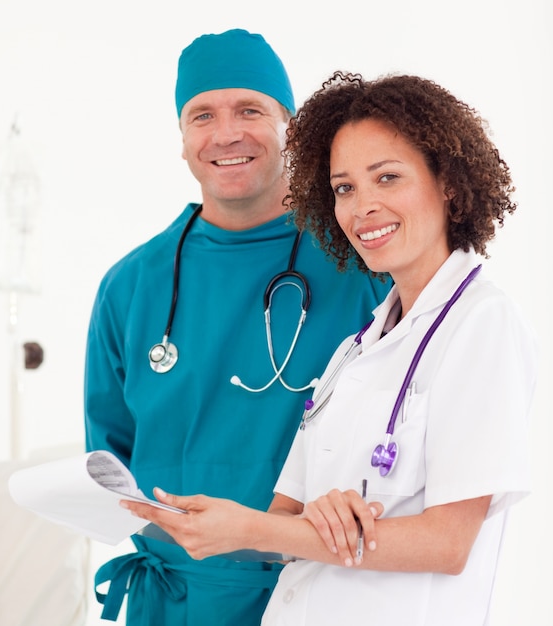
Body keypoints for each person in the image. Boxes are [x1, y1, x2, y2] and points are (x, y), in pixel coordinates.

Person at [121, 72, 538, 625]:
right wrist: (294, 519)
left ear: (450, 186)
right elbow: (284, 519)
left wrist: (253, 528)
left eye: (387, 178)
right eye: (344, 188)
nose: (362, 206)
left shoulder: (482, 323)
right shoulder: (357, 349)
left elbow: (447, 543)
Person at [84, 33, 390, 626]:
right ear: (182, 139)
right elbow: (109, 459)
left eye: (250, 110)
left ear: (291, 130)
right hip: (172, 600)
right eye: (203, 115)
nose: (226, 134)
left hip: (314, 590)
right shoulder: (130, 286)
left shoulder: (361, 266)